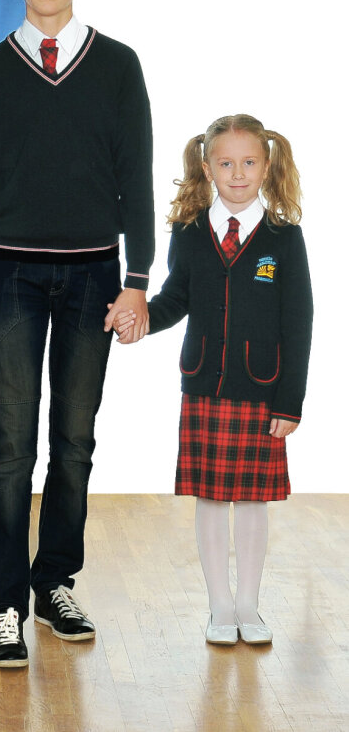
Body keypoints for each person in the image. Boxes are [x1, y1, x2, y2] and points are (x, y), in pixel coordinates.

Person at [0, 0, 154, 667]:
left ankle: (55, 583)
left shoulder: (118, 65)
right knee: (10, 447)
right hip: (11, 275)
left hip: (95, 275)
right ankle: (5, 604)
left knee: (74, 442)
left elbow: (136, 178)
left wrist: (138, 280)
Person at [113, 114, 312, 645]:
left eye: (249, 163)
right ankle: (220, 606)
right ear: (207, 168)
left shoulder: (284, 238)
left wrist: (290, 401)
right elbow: (176, 298)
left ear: (266, 167)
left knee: (252, 500)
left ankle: (249, 605)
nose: (238, 174)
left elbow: (299, 322)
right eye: (226, 163)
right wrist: (141, 319)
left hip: (262, 389)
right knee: (210, 497)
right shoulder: (189, 232)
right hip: (204, 384)